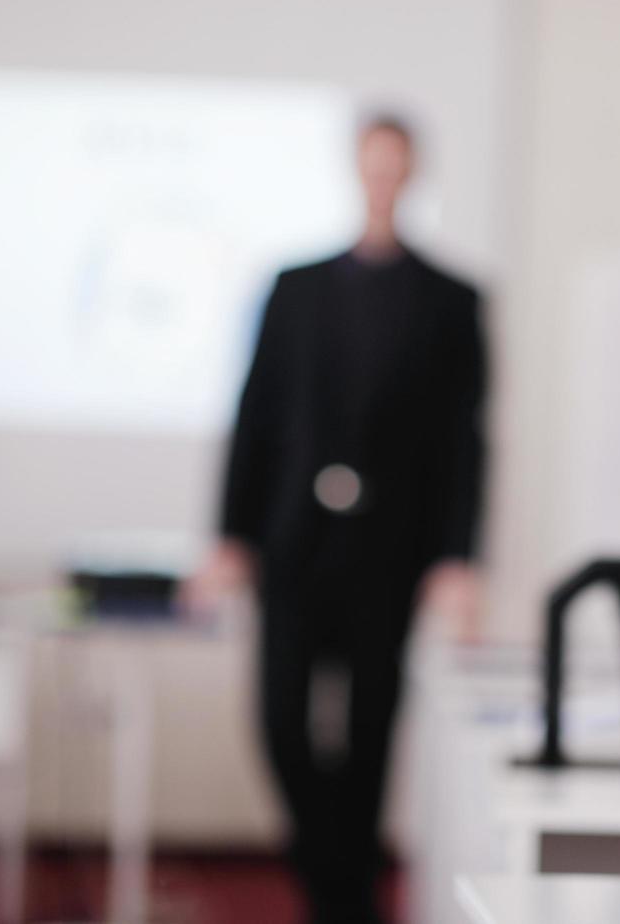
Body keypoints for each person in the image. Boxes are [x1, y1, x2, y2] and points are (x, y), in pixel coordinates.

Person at [188, 114, 486, 924]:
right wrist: (230, 536)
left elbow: (466, 440)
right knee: (281, 722)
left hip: (391, 551)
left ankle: (341, 902)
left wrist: (459, 558)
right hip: (292, 545)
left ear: (412, 173)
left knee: (369, 734)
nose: (382, 179)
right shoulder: (295, 287)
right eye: (371, 165)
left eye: (396, 167)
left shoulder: (451, 300)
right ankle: (339, 889)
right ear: (356, 170)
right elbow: (254, 416)